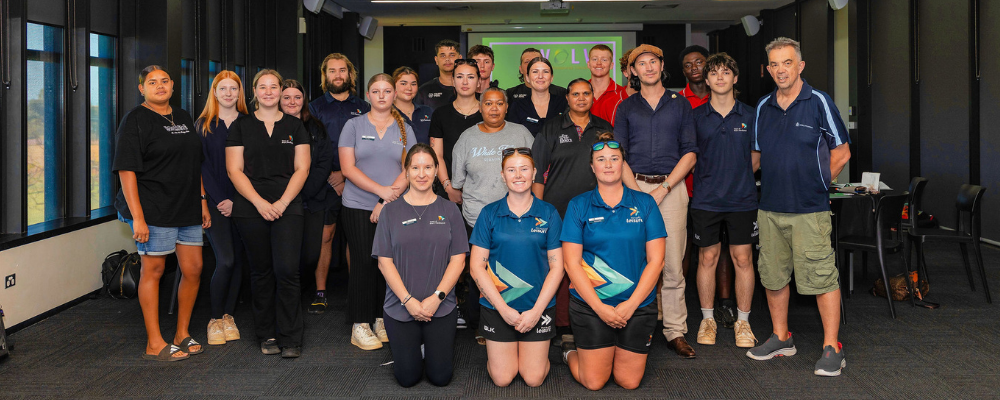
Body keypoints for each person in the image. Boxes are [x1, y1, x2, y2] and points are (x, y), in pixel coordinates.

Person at [747, 37, 850, 377]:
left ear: (800, 66)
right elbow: (757, 157)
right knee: (773, 277)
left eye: (787, 62)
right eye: (774, 64)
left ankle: (832, 347)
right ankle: (781, 337)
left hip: (810, 209)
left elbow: (842, 153)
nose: (780, 70)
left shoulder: (819, 101)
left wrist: (816, 185)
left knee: (821, 278)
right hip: (771, 208)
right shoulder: (763, 106)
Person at [114, 65, 211, 362]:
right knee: (153, 271)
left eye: (165, 81)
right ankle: (154, 341)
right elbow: (126, 171)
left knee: (193, 269)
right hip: (152, 208)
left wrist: (203, 200)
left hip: (186, 206)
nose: (160, 86)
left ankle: (182, 332)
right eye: (152, 82)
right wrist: (138, 217)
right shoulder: (135, 120)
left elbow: (194, 164)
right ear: (141, 88)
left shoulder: (181, 116)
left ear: (172, 86)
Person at [561, 131, 666, 390]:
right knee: (594, 381)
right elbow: (570, 264)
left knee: (628, 382)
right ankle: (568, 352)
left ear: (623, 164)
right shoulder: (578, 205)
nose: (608, 164)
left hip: (638, 305)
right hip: (591, 305)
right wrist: (599, 308)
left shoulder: (645, 204)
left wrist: (631, 305)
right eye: (601, 159)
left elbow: (657, 261)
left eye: (614, 158)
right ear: (592, 167)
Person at [614, 44, 698, 359]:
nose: (648, 68)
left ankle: (675, 331)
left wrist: (664, 188)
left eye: (654, 62)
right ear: (633, 71)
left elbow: (690, 152)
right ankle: (637, 325)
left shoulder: (680, 104)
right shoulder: (626, 107)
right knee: (636, 263)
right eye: (641, 64)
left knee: (673, 265)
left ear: (661, 67)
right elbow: (618, 153)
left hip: (671, 190)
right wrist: (634, 190)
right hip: (633, 190)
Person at [226, 69, 311, 358]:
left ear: (279, 91)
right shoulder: (240, 125)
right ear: (254, 92)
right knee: (261, 272)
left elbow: (303, 169)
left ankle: (291, 338)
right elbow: (234, 170)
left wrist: (284, 203)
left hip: (289, 205)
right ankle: (267, 334)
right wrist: (260, 203)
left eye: (273, 87)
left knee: (287, 271)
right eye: (262, 87)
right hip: (251, 207)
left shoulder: (295, 126)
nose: (269, 92)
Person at [373, 144, 469, 387]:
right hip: (400, 307)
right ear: (406, 173)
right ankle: (414, 353)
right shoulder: (390, 211)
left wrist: (437, 297)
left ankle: (428, 349)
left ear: (437, 170)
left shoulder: (450, 210)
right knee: (407, 378)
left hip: (441, 306)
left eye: (428, 167)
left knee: (440, 378)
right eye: (415, 168)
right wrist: (408, 301)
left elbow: (458, 260)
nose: (422, 174)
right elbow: (385, 263)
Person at [470, 147, 564, 387]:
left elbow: (557, 268)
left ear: (534, 173)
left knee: (533, 379)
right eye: (511, 170)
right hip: (498, 306)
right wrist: (503, 310)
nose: (518, 175)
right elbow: (476, 268)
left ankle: (535, 357)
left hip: (537, 307)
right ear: (503, 175)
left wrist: (535, 312)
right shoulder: (489, 214)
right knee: (502, 379)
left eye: (524, 169)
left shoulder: (549, 213)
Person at [531, 78, 613, 343]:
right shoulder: (552, 127)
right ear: (566, 98)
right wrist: (539, 211)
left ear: (592, 97)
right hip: (558, 210)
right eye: (575, 94)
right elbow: (538, 175)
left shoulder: (604, 128)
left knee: (591, 266)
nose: (581, 98)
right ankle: (563, 326)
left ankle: (593, 319)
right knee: (563, 268)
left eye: (586, 93)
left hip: (596, 211)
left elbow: (613, 168)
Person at [340, 73, 418, 351]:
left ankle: (380, 318)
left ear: (395, 95)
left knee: (387, 265)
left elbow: (411, 169)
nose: (382, 95)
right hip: (358, 205)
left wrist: (386, 200)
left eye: (387, 91)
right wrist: (380, 192)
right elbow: (348, 168)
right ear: (368, 96)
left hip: (394, 207)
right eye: (376, 91)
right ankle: (359, 324)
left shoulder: (406, 128)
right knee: (362, 262)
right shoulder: (352, 125)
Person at [689, 53, 759, 349]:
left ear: (735, 78)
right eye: (714, 73)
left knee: (743, 259)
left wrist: (736, 179)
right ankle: (708, 320)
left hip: (742, 199)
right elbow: (691, 158)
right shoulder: (695, 117)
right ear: (706, 81)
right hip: (706, 200)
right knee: (707, 258)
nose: (720, 77)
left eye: (726, 72)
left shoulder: (751, 115)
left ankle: (743, 322)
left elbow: (756, 158)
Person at [678, 45, 738, 329]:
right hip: (687, 187)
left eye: (699, 62)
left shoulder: (737, 107)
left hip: (720, 192)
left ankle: (725, 302)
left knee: (722, 247)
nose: (694, 68)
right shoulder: (679, 102)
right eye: (688, 64)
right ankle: (688, 304)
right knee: (689, 248)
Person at [307, 53, 370, 314]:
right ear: (325, 76)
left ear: (350, 75)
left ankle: (357, 291)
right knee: (326, 236)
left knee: (356, 238)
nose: (338, 75)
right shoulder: (315, 107)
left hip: (359, 180)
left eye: (342, 70)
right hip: (326, 182)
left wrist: (346, 174)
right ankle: (320, 291)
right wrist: (333, 176)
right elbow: (312, 148)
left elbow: (368, 146)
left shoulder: (364, 107)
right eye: (332, 71)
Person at [197, 70, 248, 346]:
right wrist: (219, 201)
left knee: (239, 260)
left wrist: (238, 201)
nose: (228, 93)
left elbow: (252, 166)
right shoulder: (204, 124)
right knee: (226, 259)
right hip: (216, 204)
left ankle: (229, 315)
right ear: (214, 93)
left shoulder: (249, 123)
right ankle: (215, 318)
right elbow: (201, 167)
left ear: (240, 93)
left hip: (245, 202)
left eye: (233, 89)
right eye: (223, 89)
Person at [280, 79, 336, 305]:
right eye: (287, 97)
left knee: (312, 254)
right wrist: (285, 197)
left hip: (312, 199)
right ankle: (289, 298)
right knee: (287, 255)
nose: (292, 102)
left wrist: (302, 193)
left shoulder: (316, 127)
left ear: (304, 100)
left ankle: (303, 288)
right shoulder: (271, 125)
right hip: (281, 202)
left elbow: (324, 163)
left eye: (297, 97)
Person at [452, 87, 535, 230]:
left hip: (518, 218)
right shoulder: (467, 138)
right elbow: (458, 181)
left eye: (500, 103)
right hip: (476, 219)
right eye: (488, 103)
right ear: (480, 107)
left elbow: (536, 174)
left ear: (507, 107)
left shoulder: (521, 133)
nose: (494, 109)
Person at [429, 59, 484, 207]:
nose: (465, 82)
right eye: (460, 77)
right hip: (448, 192)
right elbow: (437, 155)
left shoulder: (488, 113)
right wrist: (449, 187)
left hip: (484, 192)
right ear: (453, 81)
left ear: (479, 82)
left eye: (471, 77)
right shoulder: (440, 114)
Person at [506, 57, 567, 137]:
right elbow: (512, 138)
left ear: (551, 77)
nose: (540, 76)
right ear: (527, 77)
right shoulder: (517, 107)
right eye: (535, 72)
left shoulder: (564, 104)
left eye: (545, 72)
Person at [588, 45, 628, 127]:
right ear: (589, 64)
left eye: (604, 60)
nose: (599, 63)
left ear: (611, 65)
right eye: (594, 59)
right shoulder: (579, 93)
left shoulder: (621, 94)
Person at [392, 67, 433, 144]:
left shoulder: (427, 111)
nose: (409, 88)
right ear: (393, 86)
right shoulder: (386, 113)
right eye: (403, 83)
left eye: (413, 84)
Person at [416, 39, 461, 110]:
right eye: (443, 56)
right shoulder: (424, 91)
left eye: (452, 55)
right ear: (436, 60)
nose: (447, 59)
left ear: (460, 59)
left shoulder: (468, 88)